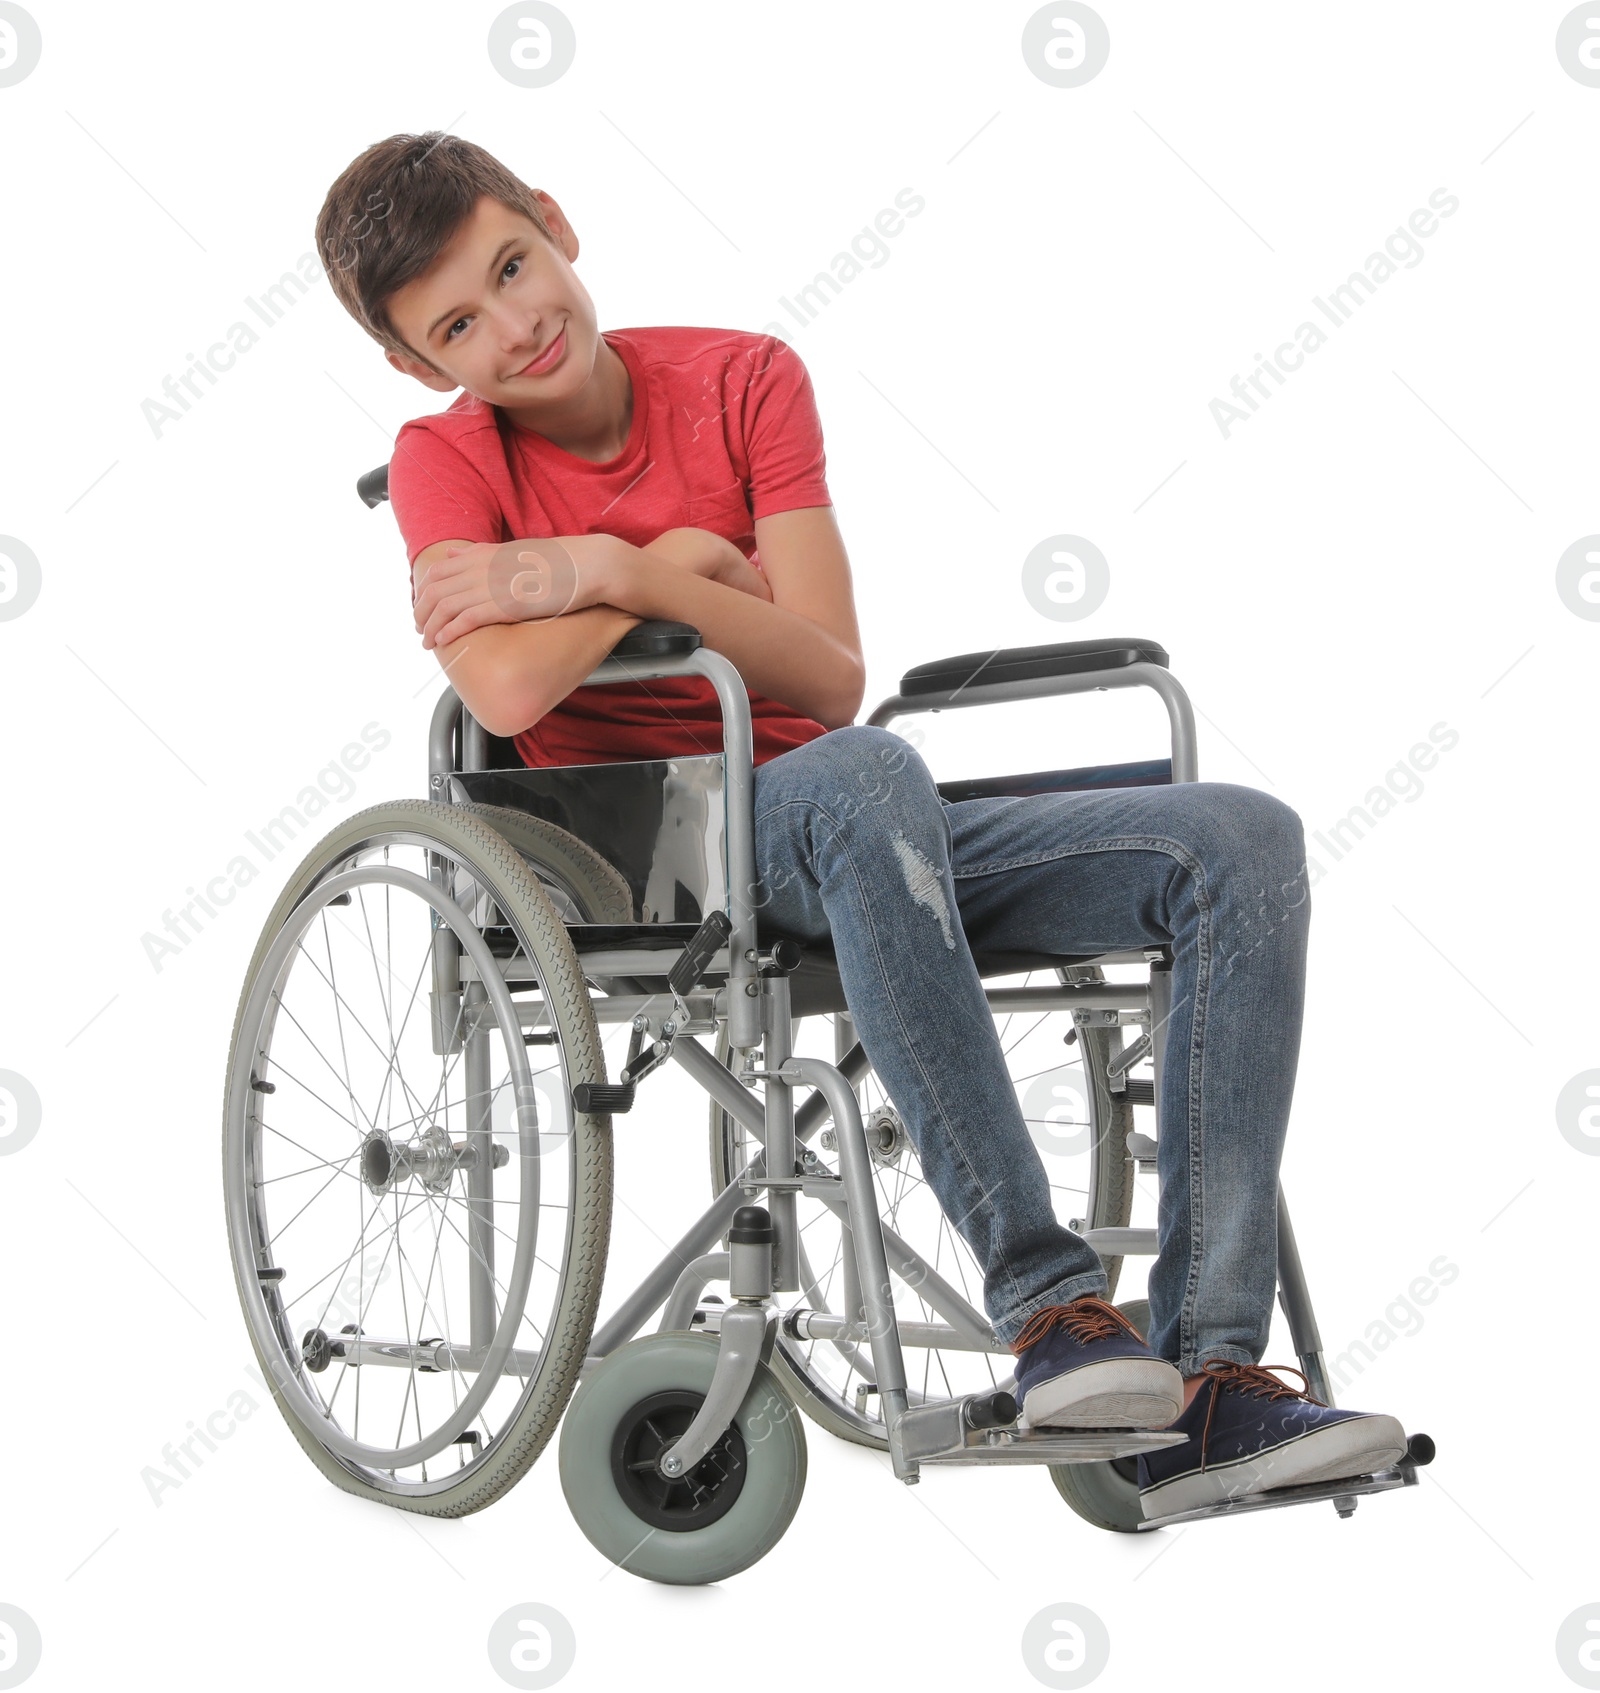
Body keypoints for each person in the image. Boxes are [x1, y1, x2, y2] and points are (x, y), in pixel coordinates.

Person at [314, 131, 1411, 1520]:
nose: (515, 325)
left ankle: (1209, 1378)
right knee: (866, 774)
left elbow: (828, 666)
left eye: (513, 267)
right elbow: (511, 682)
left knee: (1239, 839)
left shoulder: (742, 379)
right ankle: (1053, 1309)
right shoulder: (443, 463)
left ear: (555, 223)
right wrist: (683, 572)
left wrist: (593, 568)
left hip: (854, 827)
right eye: (458, 324)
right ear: (423, 366)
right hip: (649, 856)